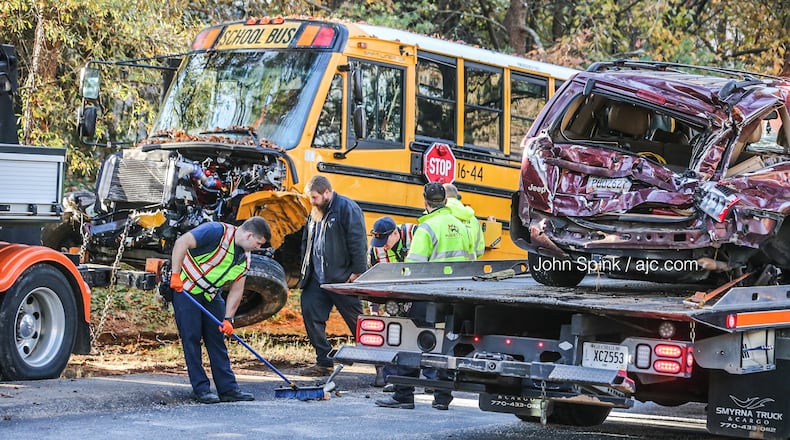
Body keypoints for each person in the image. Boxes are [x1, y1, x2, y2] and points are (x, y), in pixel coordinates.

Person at [375, 182, 474, 411]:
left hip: (429, 295)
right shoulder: (461, 226)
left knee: (411, 339)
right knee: (446, 344)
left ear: (425, 201)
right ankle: (442, 397)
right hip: (456, 295)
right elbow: (471, 259)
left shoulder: (427, 228)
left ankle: (403, 395)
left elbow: (414, 268)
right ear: (445, 201)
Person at [169, 216, 271, 404]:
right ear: (249, 235)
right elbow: (181, 242)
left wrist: (228, 319)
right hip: (186, 289)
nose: (258, 248)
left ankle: (228, 389)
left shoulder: (245, 256)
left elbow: (237, 289)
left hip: (210, 295)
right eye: (258, 243)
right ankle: (201, 389)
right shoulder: (215, 231)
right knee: (191, 337)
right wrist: (175, 274)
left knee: (217, 339)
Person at [299, 175, 368, 376]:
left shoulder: (347, 208)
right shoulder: (314, 213)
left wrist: (357, 272)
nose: (311, 201)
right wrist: (305, 270)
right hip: (316, 278)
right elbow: (307, 242)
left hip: (342, 278)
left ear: (327, 193)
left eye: (314, 197)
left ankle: (382, 367)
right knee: (311, 315)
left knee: (358, 323)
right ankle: (324, 361)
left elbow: (358, 242)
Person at [368, 216, 419, 386]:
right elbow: (372, 282)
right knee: (391, 334)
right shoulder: (375, 251)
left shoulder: (416, 234)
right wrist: (374, 310)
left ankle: (423, 376)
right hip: (394, 299)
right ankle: (388, 376)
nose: (382, 245)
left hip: (419, 294)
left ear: (396, 233)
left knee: (417, 335)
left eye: (384, 240)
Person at [443, 183, 485, 259]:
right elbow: (480, 251)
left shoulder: (438, 216)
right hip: (468, 268)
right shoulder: (474, 220)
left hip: (443, 268)